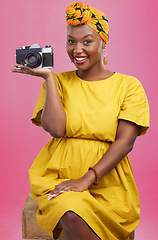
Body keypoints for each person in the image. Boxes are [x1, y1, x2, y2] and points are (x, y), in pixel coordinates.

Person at [11, 2, 149, 240]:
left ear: (103, 43)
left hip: (108, 180)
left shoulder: (129, 86)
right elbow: (56, 129)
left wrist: (87, 179)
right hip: (58, 175)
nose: (77, 49)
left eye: (87, 41)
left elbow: (126, 142)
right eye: (71, 41)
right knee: (71, 212)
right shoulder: (58, 83)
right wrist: (49, 79)